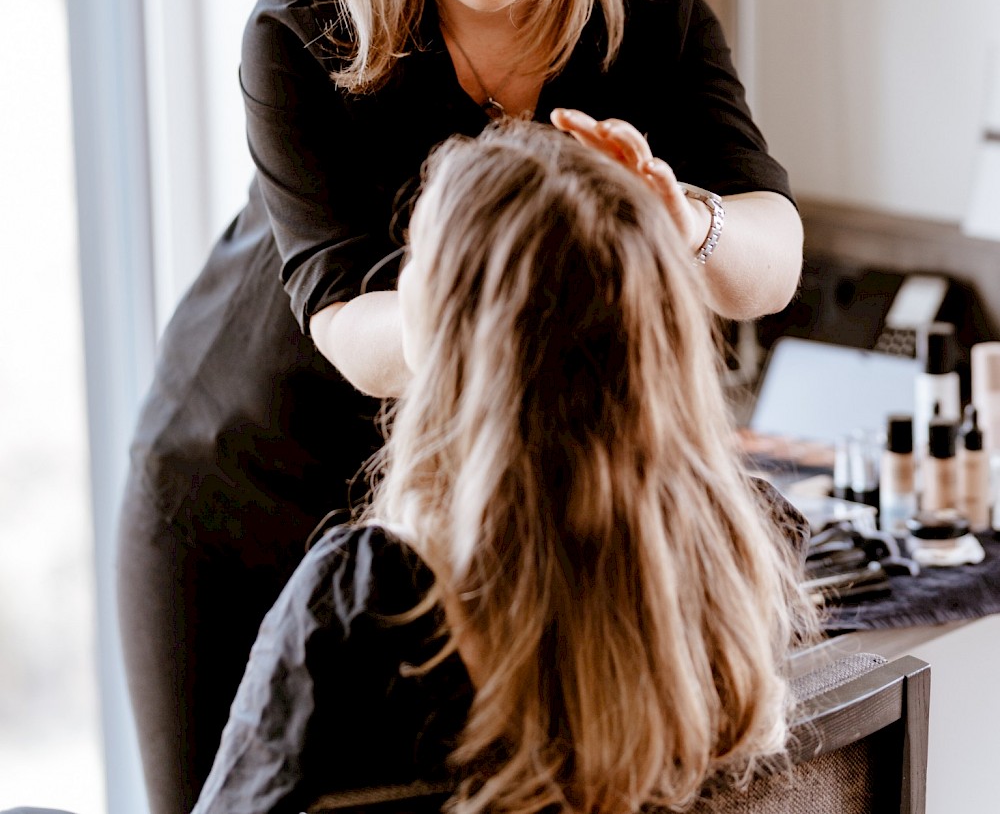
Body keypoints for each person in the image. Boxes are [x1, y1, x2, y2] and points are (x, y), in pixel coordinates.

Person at [117, 0, 805, 814]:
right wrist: (546, 265)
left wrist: (676, 220)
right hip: (243, 488)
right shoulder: (304, 33)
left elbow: (768, 259)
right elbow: (353, 332)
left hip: (479, 513)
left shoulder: (647, 11)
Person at [191, 121, 815, 814]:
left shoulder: (367, 607)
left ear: (448, 340)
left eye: (415, 267)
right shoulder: (738, 565)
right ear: (655, 332)